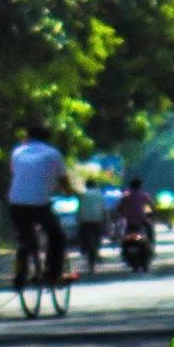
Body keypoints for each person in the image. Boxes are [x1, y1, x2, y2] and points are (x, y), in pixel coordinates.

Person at [7, 123, 72, 286]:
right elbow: (64, 181)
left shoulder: (17, 152)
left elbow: (16, 173)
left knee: (24, 237)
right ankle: (52, 273)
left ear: (27, 136)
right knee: (57, 236)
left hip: (16, 203)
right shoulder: (53, 154)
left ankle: (20, 272)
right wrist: (68, 192)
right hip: (40, 204)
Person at [76, 177, 107, 274]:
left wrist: (78, 219)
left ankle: (84, 249)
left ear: (86, 185)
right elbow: (103, 209)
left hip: (85, 220)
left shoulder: (82, 194)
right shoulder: (100, 194)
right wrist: (106, 220)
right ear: (95, 185)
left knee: (83, 236)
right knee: (97, 237)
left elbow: (79, 208)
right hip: (97, 220)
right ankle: (96, 250)